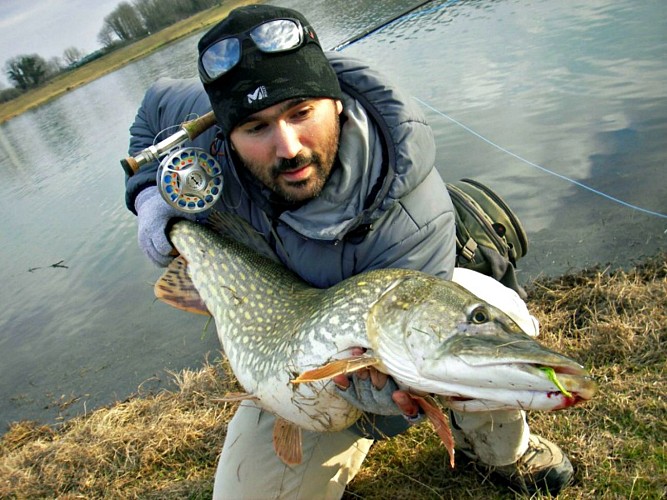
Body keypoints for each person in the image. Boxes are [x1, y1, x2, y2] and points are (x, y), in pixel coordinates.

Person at [124, 4, 573, 498]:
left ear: (334, 101)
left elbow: (391, 383)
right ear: (226, 135)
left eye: (301, 113)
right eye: (257, 128)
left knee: (470, 328)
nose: (288, 146)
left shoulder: (411, 214)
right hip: (278, 325)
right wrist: (150, 201)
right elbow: (149, 114)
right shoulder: (204, 117)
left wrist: (376, 392)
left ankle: (498, 449)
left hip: (388, 310)